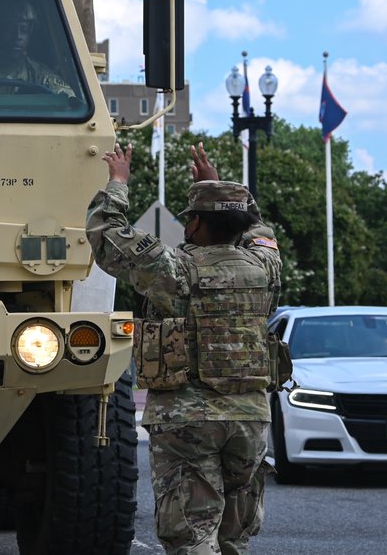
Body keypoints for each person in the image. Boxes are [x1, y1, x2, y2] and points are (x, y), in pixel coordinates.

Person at [87, 141, 282, 555]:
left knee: (192, 534)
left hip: (186, 420)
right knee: (234, 537)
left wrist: (117, 183)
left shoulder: (172, 269)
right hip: (249, 418)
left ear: (194, 225)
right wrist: (221, 193)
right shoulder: (264, 269)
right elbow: (261, 234)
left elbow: (106, 234)